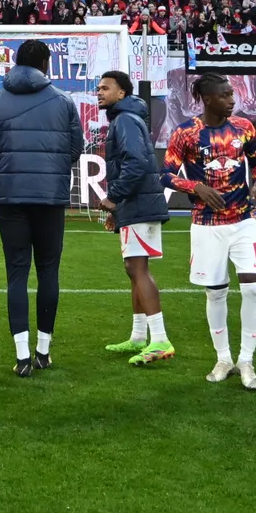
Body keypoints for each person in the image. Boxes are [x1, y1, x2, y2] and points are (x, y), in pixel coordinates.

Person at [0, 39, 80, 376]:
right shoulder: (63, 101)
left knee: (16, 273)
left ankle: (22, 356)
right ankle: (43, 351)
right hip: (49, 196)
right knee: (48, 270)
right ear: (45, 64)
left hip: (10, 196)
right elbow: (75, 148)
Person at [163, 73, 256, 390]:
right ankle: (223, 357)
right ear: (208, 99)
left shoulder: (244, 128)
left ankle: (246, 360)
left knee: (252, 288)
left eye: (231, 94)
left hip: (244, 221)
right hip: (207, 225)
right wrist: (195, 186)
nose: (231, 100)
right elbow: (165, 174)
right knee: (216, 292)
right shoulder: (186, 134)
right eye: (224, 95)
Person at [94, 69, 175, 365]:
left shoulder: (125, 120)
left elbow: (137, 163)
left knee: (137, 268)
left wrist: (113, 198)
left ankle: (160, 339)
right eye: (98, 88)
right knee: (133, 268)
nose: (99, 92)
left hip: (138, 203)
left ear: (122, 93)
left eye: (106, 88)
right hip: (136, 204)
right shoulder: (126, 118)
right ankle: (140, 336)